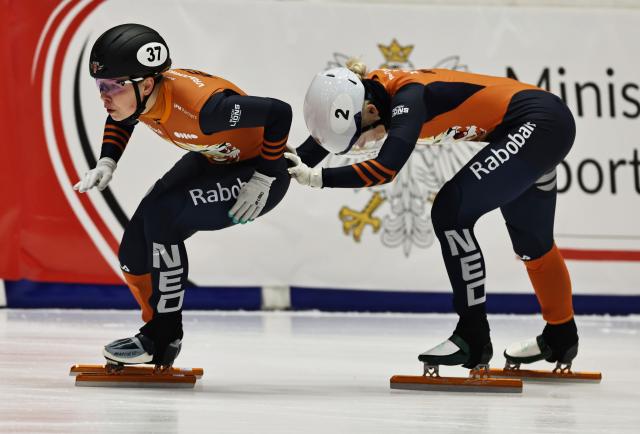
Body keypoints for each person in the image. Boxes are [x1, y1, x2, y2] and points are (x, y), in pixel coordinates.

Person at [286, 61, 578, 372]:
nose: (361, 145)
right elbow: (305, 154)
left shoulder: (408, 99)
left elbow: (386, 167)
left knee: (451, 211)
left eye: (359, 139)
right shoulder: (374, 95)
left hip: (538, 124)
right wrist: (261, 172)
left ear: (370, 112)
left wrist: (320, 179)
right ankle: (562, 335)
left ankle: (473, 338)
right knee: (532, 242)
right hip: (543, 123)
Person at [74, 24, 292, 368]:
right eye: (100, 86)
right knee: (133, 249)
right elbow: (123, 117)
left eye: (112, 86)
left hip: (257, 175)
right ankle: (152, 329)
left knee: (164, 218)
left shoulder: (206, 109)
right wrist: (107, 160)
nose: (104, 95)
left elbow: (279, 112)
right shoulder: (141, 94)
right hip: (214, 158)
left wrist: (265, 176)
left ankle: (165, 336)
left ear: (146, 84)